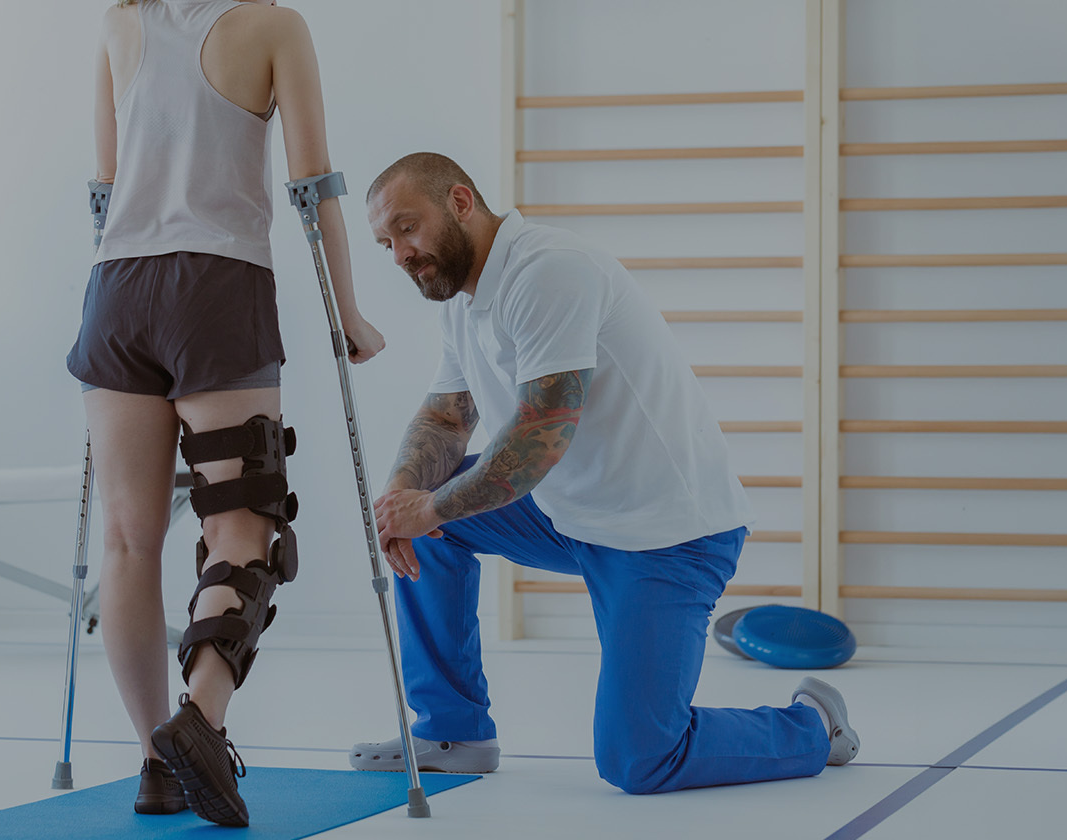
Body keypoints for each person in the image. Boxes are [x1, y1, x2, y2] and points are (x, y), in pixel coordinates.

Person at [351, 152, 858, 794]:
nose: (399, 253)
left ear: (459, 202)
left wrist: (429, 509)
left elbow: (540, 434)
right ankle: (451, 731)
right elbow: (448, 419)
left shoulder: (548, 271)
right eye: (385, 242)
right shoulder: (462, 300)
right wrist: (403, 495)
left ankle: (813, 726)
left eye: (407, 226)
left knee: (639, 759)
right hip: (567, 511)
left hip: (664, 535)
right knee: (424, 515)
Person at [66, 0, 384, 826]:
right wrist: (347, 313)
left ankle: (155, 766)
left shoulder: (116, 23)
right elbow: (315, 191)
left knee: (129, 542)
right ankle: (199, 719)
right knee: (246, 531)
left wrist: (117, 286)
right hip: (218, 287)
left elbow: (102, 189)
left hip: (116, 293)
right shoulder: (275, 27)